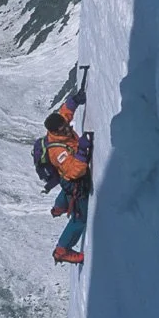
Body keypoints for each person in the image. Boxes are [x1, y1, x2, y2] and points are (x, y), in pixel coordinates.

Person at [44, 88, 92, 265]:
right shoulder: (57, 150)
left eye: (66, 126)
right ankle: (62, 250)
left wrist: (74, 101)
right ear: (55, 132)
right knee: (80, 219)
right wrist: (81, 151)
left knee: (67, 192)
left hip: (67, 181)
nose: (67, 129)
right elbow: (75, 171)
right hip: (73, 181)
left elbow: (65, 113)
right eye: (63, 129)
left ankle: (59, 207)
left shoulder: (58, 127)